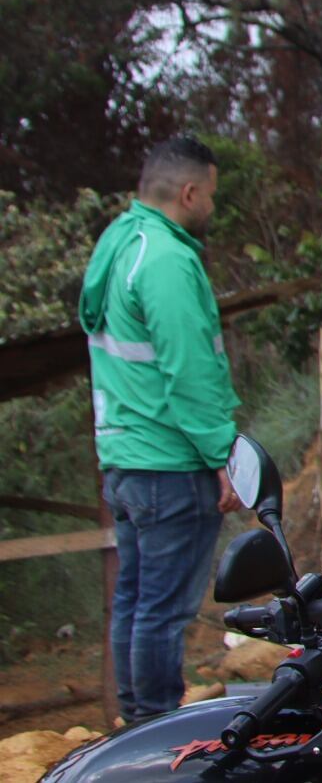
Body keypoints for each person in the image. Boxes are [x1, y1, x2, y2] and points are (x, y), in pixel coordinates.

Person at [78, 135, 243, 723]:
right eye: (212, 196)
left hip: (125, 459)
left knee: (136, 598)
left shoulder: (119, 243)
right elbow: (188, 370)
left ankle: (135, 719)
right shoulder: (168, 259)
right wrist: (223, 454)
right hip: (168, 462)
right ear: (190, 193)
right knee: (164, 610)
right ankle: (155, 722)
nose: (212, 208)